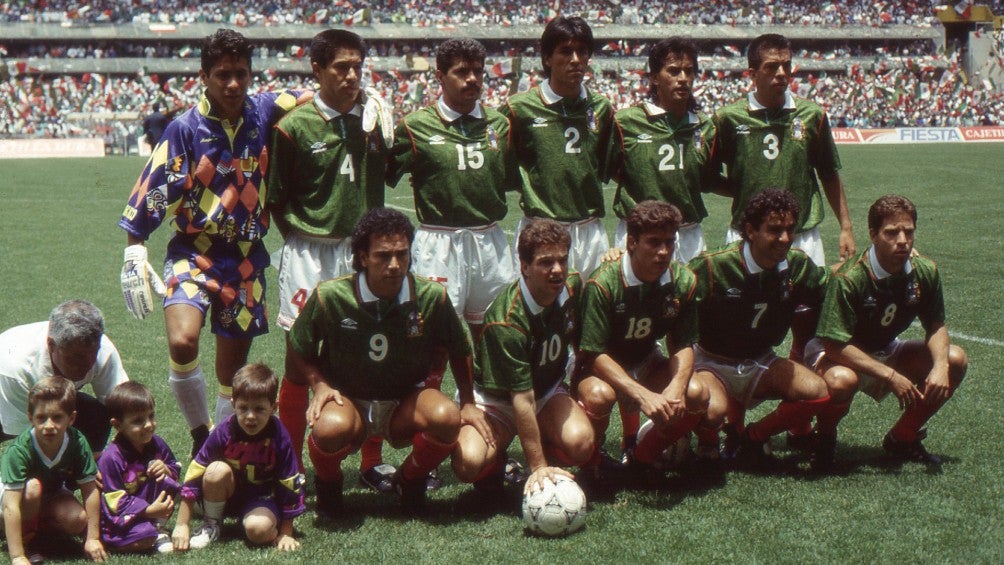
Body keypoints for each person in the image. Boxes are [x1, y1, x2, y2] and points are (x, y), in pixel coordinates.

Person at [118, 28, 310, 457]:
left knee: (232, 373)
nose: (233, 84)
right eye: (223, 74)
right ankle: (199, 431)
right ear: (203, 76)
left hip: (245, 259)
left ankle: (217, 448)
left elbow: (310, 95)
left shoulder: (263, 111)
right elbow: (152, 190)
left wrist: (365, 97)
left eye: (241, 74)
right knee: (183, 340)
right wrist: (135, 249)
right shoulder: (185, 129)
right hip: (194, 249)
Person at [286, 207, 491, 515]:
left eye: (402, 254)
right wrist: (320, 385)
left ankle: (409, 480)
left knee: (447, 418)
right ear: (363, 257)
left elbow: (460, 349)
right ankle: (330, 485)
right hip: (350, 402)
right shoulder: (331, 295)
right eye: (383, 256)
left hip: (404, 402)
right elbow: (298, 346)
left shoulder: (431, 296)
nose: (395, 265)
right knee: (327, 429)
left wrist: (469, 402)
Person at [266, 29, 391, 488]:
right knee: (300, 356)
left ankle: (372, 461)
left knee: (371, 348)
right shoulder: (293, 127)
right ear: (316, 70)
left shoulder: (375, 120)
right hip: (309, 250)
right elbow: (275, 197)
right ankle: (292, 465)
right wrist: (302, 239)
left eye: (358, 66)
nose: (352, 75)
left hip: (362, 251)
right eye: (341, 67)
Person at [805, 195, 968, 468]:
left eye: (909, 231)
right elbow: (834, 344)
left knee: (955, 359)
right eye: (892, 232)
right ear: (873, 235)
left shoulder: (925, 271)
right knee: (841, 380)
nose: (902, 240)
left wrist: (939, 366)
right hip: (837, 355)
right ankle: (825, 438)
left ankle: (902, 437)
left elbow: (936, 325)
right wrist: (890, 375)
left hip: (885, 349)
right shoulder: (850, 278)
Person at [451, 219, 594, 495]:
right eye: (545, 262)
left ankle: (549, 446)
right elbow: (521, 399)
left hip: (546, 391)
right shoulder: (507, 321)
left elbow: (577, 336)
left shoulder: (572, 285)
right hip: (496, 402)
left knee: (581, 444)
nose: (557, 270)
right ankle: (499, 464)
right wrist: (537, 467)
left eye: (562, 260)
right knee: (468, 463)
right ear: (524, 266)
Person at [688, 189, 831, 465]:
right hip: (711, 362)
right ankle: (708, 445)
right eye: (775, 230)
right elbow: (675, 304)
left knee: (817, 392)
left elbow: (838, 287)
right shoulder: (711, 266)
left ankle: (754, 437)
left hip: (761, 361)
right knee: (711, 410)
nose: (786, 238)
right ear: (751, 231)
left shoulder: (797, 265)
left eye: (790, 229)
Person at [386, 37, 517, 332]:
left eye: (478, 71)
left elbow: (508, 179)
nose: (472, 78)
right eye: (461, 71)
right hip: (439, 241)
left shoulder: (499, 124)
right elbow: (384, 174)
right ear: (440, 77)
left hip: (489, 241)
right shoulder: (415, 125)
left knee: (494, 329)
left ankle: (481, 382)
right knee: (433, 332)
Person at [575, 201, 709, 480]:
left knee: (696, 392)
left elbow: (683, 343)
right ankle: (592, 463)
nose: (663, 252)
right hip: (602, 367)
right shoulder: (603, 283)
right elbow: (593, 353)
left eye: (669, 243)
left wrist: (676, 386)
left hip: (647, 358)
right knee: (599, 397)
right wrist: (643, 394)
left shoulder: (682, 280)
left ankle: (641, 457)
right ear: (631, 242)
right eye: (654, 242)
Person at [711, 33, 854, 267]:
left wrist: (845, 228)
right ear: (752, 74)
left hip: (801, 235)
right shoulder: (727, 119)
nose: (781, 73)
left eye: (786, 65)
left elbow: (829, 173)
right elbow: (708, 176)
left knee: (807, 303)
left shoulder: (812, 115)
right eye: (771, 67)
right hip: (747, 235)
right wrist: (743, 187)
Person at [503, 16, 614, 278]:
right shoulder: (519, 108)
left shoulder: (601, 108)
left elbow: (605, 165)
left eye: (582, 51)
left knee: (591, 311)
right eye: (565, 51)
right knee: (536, 311)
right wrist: (533, 190)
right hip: (540, 229)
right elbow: (504, 164)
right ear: (547, 58)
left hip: (590, 231)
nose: (575, 59)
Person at [607, 37, 720, 264]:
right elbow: (612, 169)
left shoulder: (705, 126)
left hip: (688, 233)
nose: (683, 79)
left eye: (689, 71)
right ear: (654, 78)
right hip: (640, 233)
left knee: (691, 297)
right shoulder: (626, 122)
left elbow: (707, 178)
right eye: (674, 71)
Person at [172, 363, 303, 552]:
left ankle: (264, 519)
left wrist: (286, 532)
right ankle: (212, 523)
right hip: (227, 493)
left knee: (257, 531)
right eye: (243, 408)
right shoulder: (224, 431)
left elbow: (289, 481)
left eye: (259, 409)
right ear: (233, 405)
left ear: (273, 407)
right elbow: (197, 469)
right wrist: (183, 524)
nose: (250, 416)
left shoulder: (279, 436)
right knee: (216, 470)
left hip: (261, 497)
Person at [0, 300, 128, 455]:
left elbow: (123, 408)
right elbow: (24, 439)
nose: (86, 365)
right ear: (51, 345)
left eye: (92, 354)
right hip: (6, 396)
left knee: (96, 414)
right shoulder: (17, 367)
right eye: (75, 358)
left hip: (45, 397)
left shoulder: (103, 350)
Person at [1, 376, 106, 564]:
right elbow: (11, 505)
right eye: (41, 418)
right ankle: (24, 541)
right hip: (14, 499)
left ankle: (37, 531)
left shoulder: (77, 441)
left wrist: (93, 538)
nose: (49, 425)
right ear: (30, 418)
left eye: (57, 417)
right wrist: (17, 557)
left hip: (52, 493)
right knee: (32, 488)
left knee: (77, 520)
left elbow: (90, 489)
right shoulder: (19, 450)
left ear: (71, 418)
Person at [97, 381, 181, 554]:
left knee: (168, 480)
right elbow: (114, 500)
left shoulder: (157, 443)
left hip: (150, 507)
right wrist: (148, 511)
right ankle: (121, 539)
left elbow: (175, 467)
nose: (149, 425)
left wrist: (166, 469)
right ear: (117, 424)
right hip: (120, 518)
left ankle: (158, 527)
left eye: (151, 416)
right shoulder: (111, 458)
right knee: (145, 535)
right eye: (138, 421)